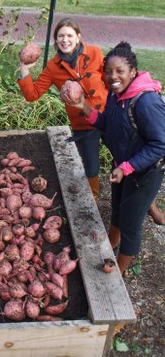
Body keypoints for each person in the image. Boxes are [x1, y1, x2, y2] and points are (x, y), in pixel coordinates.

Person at [62, 41, 165, 274]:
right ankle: (111, 242)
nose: (112, 76)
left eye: (119, 71)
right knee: (117, 208)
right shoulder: (116, 95)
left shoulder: (146, 102)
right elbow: (107, 124)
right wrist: (81, 105)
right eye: (108, 71)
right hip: (123, 165)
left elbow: (161, 144)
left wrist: (128, 167)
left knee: (130, 221)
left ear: (133, 72)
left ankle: (121, 267)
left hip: (145, 171)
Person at [17, 18, 108, 200]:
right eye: (60, 36)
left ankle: (147, 204)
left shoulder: (95, 53)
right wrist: (24, 68)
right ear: (56, 40)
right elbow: (32, 95)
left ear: (78, 37)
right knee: (91, 164)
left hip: (107, 114)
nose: (65, 40)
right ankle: (94, 199)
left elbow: (110, 80)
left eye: (69, 35)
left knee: (125, 155)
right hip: (83, 122)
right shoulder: (53, 66)